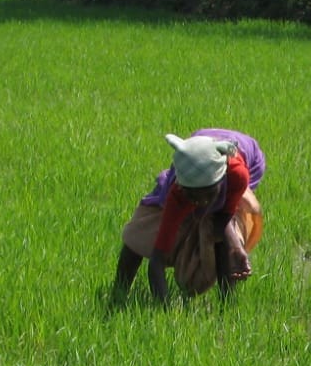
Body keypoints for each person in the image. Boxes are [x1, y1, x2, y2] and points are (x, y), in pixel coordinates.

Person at [111, 130, 265, 304]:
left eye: (208, 195)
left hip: (240, 162)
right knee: (140, 233)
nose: (201, 202)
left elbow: (223, 216)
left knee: (222, 237)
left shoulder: (237, 176)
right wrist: (164, 308)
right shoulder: (177, 194)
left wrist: (235, 247)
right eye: (194, 197)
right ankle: (119, 291)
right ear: (182, 188)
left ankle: (227, 301)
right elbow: (157, 260)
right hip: (197, 157)